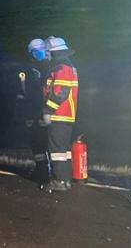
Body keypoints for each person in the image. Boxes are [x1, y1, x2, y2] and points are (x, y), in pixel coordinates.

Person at [40, 36, 78, 193]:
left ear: (53, 52)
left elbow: (60, 92)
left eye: (47, 52)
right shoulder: (66, 66)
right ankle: (65, 180)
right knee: (63, 150)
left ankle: (60, 181)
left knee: (57, 150)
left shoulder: (61, 68)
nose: (46, 55)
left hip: (59, 115)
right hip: (65, 115)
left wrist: (48, 110)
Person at [18, 38, 51, 183]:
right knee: (39, 143)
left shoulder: (46, 68)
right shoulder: (33, 69)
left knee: (43, 143)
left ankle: (46, 172)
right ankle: (43, 171)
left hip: (43, 111)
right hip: (38, 111)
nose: (38, 54)